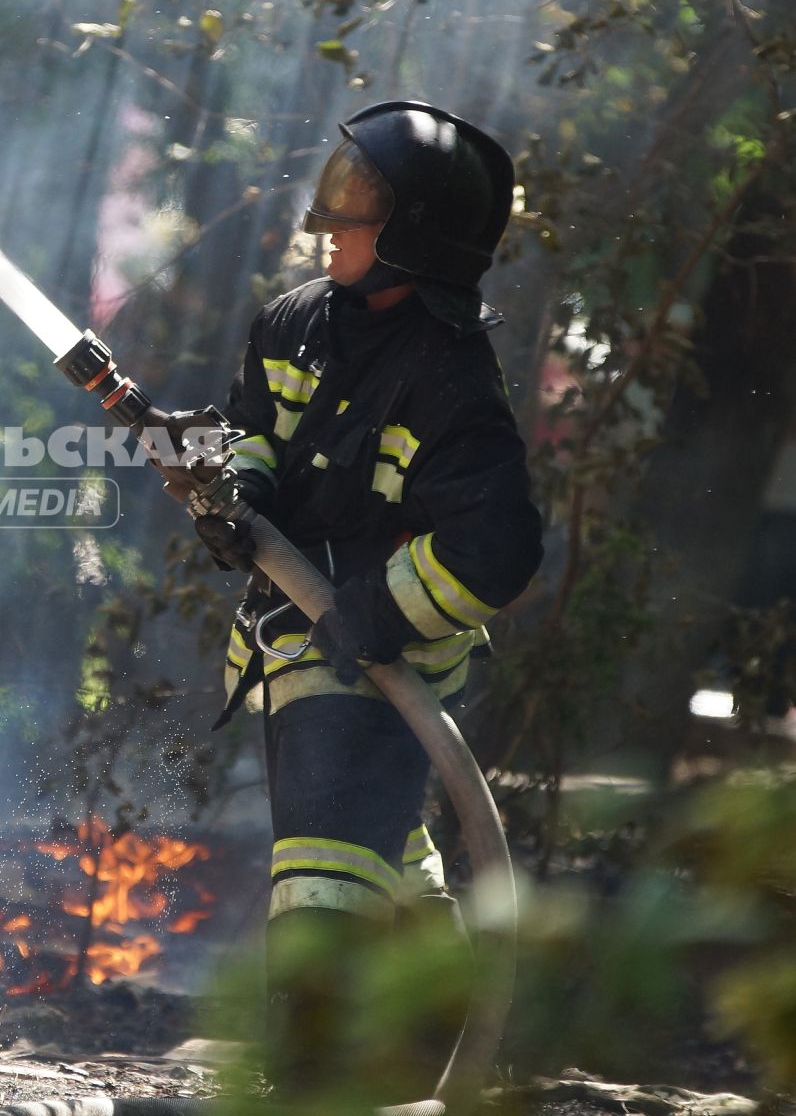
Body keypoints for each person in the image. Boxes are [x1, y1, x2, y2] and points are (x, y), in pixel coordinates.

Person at [195, 100, 545, 1101]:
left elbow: (495, 548)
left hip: (377, 669)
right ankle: (443, 1057)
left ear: (414, 236)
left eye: (357, 206)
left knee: (321, 874)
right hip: (288, 646)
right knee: (388, 865)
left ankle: (306, 1081)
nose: (328, 222)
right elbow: (250, 427)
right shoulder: (294, 318)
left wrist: (372, 610)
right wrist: (238, 492)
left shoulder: (449, 380)